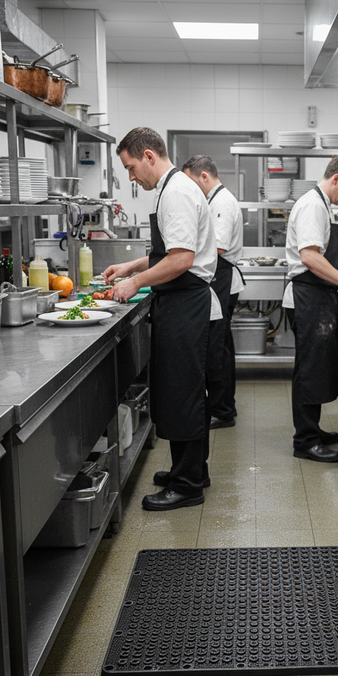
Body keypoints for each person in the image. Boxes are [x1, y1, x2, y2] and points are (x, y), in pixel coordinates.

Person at [104, 127, 222, 511]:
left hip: (186, 302)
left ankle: (187, 486)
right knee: (182, 390)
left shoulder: (177, 192)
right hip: (180, 301)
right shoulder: (173, 188)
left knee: (182, 392)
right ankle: (191, 471)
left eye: (131, 167)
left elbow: (182, 259)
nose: (131, 177)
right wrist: (131, 266)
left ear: (149, 156)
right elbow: (171, 250)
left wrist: (135, 282)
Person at [283, 155, 338, 463]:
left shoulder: (322, 204)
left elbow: (316, 247)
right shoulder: (312, 205)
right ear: (335, 179)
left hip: (318, 296)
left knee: (317, 368)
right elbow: (309, 257)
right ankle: (305, 441)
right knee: (309, 370)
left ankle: (313, 429)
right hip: (308, 297)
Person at [182, 154, 244, 429]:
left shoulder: (222, 202)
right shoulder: (214, 200)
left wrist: (182, 255)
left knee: (216, 348)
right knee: (220, 347)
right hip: (218, 278)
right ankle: (225, 405)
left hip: (221, 278)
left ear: (204, 176)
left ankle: (222, 411)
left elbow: (217, 247)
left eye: (191, 182)